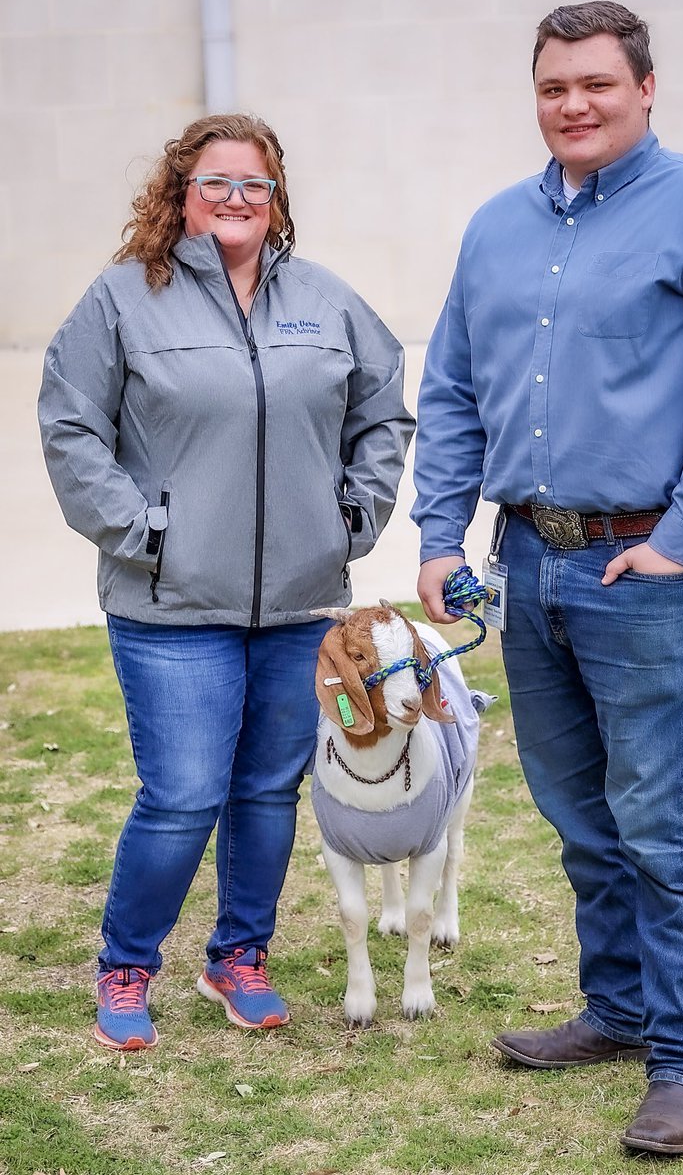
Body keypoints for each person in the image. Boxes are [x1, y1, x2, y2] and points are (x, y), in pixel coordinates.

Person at [412, 1, 683, 1157]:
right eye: (551, 87)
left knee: (663, 827)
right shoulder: (493, 228)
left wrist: (682, 534)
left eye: (594, 83)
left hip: (648, 573)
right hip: (526, 563)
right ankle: (619, 1010)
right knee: (578, 814)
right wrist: (440, 534)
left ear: (644, 86)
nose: (571, 104)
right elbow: (451, 390)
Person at [39, 113, 414, 1052]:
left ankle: (237, 958)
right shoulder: (124, 299)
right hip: (170, 605)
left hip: (299, 602)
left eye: (254, 184)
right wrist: (141, 530)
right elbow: (70, 426)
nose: (236, 199)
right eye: (216, 182)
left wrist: (354, 514)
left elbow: (383, 411)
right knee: (182, 795)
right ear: (182, 193)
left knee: (266, 790)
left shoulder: (325, 302)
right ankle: (126, 968)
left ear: (277, 196)